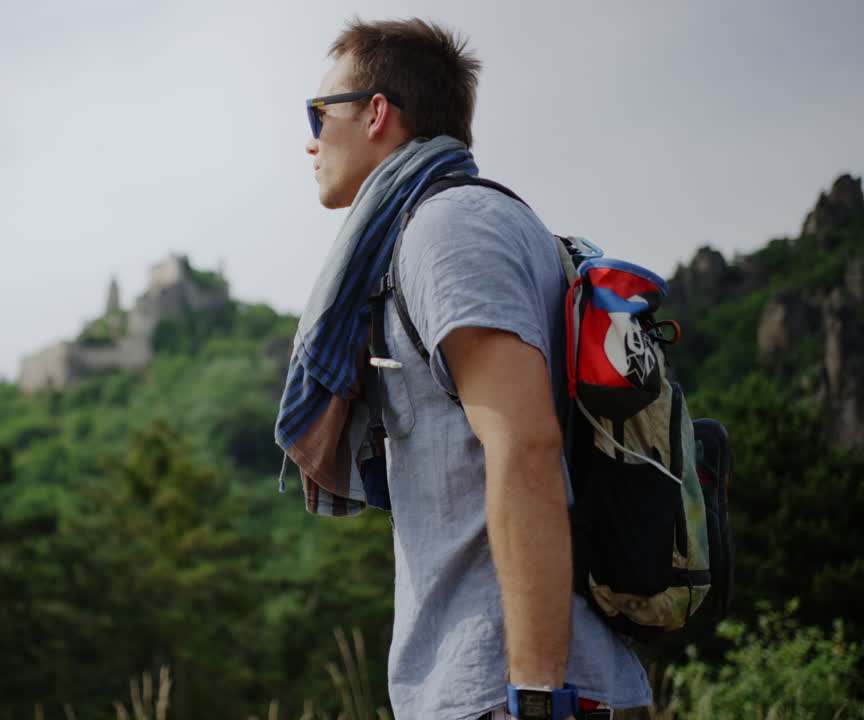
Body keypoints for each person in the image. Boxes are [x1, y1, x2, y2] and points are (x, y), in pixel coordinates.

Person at [275, 18, 652, 720]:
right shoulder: (475, 223)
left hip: (506, 690)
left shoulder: (446, 229)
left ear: (377, 112)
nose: (310, 138)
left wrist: (537, 698)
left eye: (320, 113)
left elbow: (527, 447)